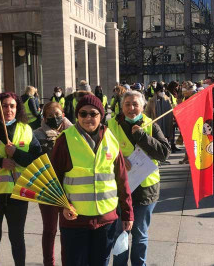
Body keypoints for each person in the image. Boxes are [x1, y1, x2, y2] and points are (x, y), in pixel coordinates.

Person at [51, 95, 134, 266]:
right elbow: (54, 180)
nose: (88, 118)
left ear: (101, 115)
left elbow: (122, 180)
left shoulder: (111, 139)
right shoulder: (65, 139)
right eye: (83, 114)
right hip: (75, 220)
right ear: (77, 116)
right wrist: (62, 206)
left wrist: (127, 213)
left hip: (106, 220)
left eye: (93, 114)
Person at [107, 91, 170, 266]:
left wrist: (142, 137)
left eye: (135, 104)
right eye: (127, 104)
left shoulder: (151, 125)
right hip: (119, 188)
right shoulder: (110, 125)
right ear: (121, 106)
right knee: (120, 233)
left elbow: (164, 153)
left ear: (142, 107)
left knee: (140, 233)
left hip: (145, 190)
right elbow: (101, 151)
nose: (131, 108)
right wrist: (118, 158)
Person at [0, 92, 42, 266]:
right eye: (4, 105)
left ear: (17, 108)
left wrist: (16, 154)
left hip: (18, 194)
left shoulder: (26, 129)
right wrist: (0, 161)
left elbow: (37, 158)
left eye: (12, 106)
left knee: (17, 238)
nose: (8, 109)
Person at [33, 102, 72, 266]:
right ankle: (49, 263)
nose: (55, 118)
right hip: (47, 188)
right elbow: (33, 160)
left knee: (67, 230)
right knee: (50, 230)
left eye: (57, 114)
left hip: (69, 187)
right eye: (50, 115)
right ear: (44, 117)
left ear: (63, 114)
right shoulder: (36, 134)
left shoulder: (75, 133)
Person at [145, 83, 173, 162]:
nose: (163, 92)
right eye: (161, 91)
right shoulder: (151, 101)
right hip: (157, 124)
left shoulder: (167, 99)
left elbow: (171, 110)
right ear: (157, 92)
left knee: (166, 141)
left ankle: (165, 157)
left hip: (166, 124)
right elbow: (146, 113)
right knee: (157, 141)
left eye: (164, 90)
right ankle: (158, 157)